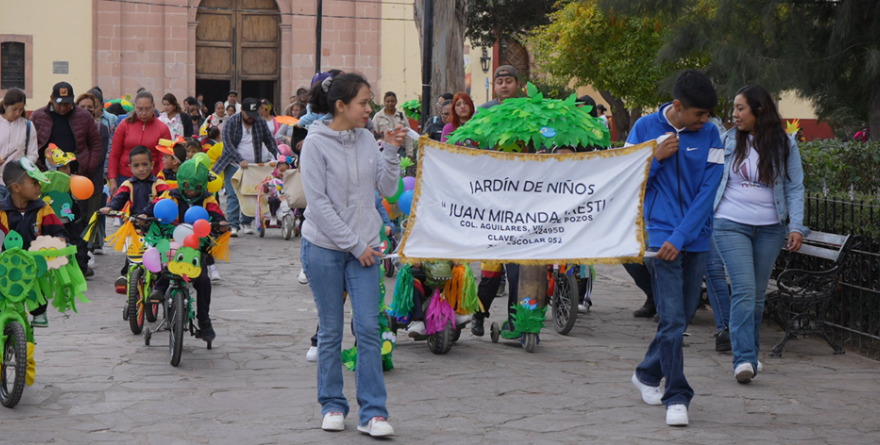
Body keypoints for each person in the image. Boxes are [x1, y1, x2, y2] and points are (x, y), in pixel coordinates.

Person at [300, 72, 402, 437]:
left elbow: (388, 189)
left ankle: (373, 413)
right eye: (363, 102)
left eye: (370, 101)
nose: (370, 109)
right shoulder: (314, 144)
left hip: (365, 250)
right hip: (325, 248)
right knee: (330, 329)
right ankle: (331, 404)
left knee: (369, 327)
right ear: (341, 105)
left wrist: (390, 150)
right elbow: (319, 205)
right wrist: (355, 245)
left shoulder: (366, 140)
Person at [628, 70, 724, 427]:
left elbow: (708, 191)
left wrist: (681, 237)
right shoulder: (643, 128)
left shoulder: (711, 134)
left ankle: (646, 373)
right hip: (658, 235)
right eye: (700, 114)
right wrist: (655, 159)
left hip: (694, 238)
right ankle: (678, 395)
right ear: (679, 107)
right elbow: (625, 179)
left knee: (680, 316)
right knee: (672, 320)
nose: (706, 120)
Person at [713, 85, 807, 383]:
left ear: (759, 110)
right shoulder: (726, 140)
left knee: (755, 296)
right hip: (729, 223)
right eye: (734, 108)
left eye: (741, 108)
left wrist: (796, 226)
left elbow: (794, 187)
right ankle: (743, 359)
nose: (735, 114)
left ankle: (750, 354)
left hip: (770, 227)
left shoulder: (785, 144)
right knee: (743, 289)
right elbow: (709, 178)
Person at [144, 158, 229, 341]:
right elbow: (154, 207)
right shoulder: (171, 195)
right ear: (181, 183)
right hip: (173, 244)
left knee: (203, 280)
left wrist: (221, 223)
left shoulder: (208, 198)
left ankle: (204, 319)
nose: (192, 192)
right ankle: (159, 288)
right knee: (165, 264)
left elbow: (217, 214)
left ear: (204, 186)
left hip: (197, 247)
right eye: (188, 187)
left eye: (197, 188)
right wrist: (144, 214)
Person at [471, 71, 523, 337]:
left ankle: (516, 322)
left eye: (509, 82)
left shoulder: (531, 111)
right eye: (500, 82)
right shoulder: (484, 112)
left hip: (524, 201)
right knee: (490, 273)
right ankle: (478, 316)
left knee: (518, 272)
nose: (504, 86)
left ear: (519, 85)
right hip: (493, 201)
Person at [0, 159, 68, 327]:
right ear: (17, 187)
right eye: (34, 183)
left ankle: (38, 310)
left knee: (36, 287)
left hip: (34, 263)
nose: (39, 186)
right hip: (7, 264)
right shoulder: (2, 210)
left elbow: (57, 229)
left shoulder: (43, 208)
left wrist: (60, 239)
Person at [213, 97, 279, 236]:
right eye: (249, 115)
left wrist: (277, 156)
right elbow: (227, 143)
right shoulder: (232, 122)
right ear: (242, 111)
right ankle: (233, 224)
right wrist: (240, 159)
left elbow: (269, 140)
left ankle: (246, 222)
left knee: (252, 193)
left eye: (254, 115)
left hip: (254, 165)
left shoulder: (260, 122)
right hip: (233, 163)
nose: (251, 118)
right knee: (233, 194)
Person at [30, 81, 102, 177]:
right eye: (59, 104)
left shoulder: (84, 116)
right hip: (46, 173)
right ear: (52, 99)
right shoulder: (38, 116)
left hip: (77, 174)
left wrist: (89, 167)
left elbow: (95, 144)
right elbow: (30, 144)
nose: (63, 108)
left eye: (67, 104)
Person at [108, 91, 171, 196]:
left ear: (154, 107)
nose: (144, 113)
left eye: (147, 109)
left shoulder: (162, 129)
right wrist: (113, 179)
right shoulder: (124, 125)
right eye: (140, 109)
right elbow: (114, 154)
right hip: (124, 177)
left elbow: (164, 158)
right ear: (135, 107)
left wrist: (161, 181)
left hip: (152, 179)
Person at [0, 88, 38, 201]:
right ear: (5, 105)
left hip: (18, 183)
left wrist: (22, 164)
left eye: (21, 110)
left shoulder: (28, 126)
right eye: (14, 109)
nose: (17, 113)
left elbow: (33, 154)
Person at [371, 91, 414, 158]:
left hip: (400, 151)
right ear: (384, 102)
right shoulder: (378, 117)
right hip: (384, 151)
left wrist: (409, 153)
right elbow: (373, 135)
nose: (390, 104)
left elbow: (408, 135)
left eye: (392, 101)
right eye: (388, 101)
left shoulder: (401, 116)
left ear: (396, 102)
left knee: (400, 168)